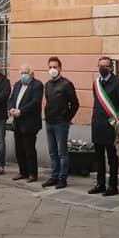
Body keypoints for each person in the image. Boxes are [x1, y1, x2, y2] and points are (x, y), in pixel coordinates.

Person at [89, 56, 119, 196]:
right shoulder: (96, 83)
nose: (102, 68)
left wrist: (117, 119)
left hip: (111, 126)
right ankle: (100, 184)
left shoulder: (118, 83)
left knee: (112, 158)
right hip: (98, 125)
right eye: (100, 66)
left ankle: (113, 186)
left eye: (105, 66)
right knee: (98, 157)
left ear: (111, 68)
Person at [42, 56, 79, 189]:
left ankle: (62, 178)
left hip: (61, 123)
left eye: (55, 67)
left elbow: (75, 104)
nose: (52, 70)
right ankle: (54, 176)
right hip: (49, 122)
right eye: (50, 67)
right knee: (52, 152)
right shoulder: (47, 84)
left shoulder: (66, 84)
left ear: (60, 68)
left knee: (62, 152)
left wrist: (67, 118)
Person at [8, 63, 45, 182]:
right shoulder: (18, 84)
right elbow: (12, 98)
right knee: (19, 149)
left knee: (29, 149)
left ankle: (32, 174)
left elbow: (35, 102)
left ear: (31, 74)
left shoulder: (37, 85)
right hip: (17, 121)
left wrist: (21, 111)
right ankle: (22, 172)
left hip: (29, 122)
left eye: (26, 73)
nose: (23, 75)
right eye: (22, 73)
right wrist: (11, 108)